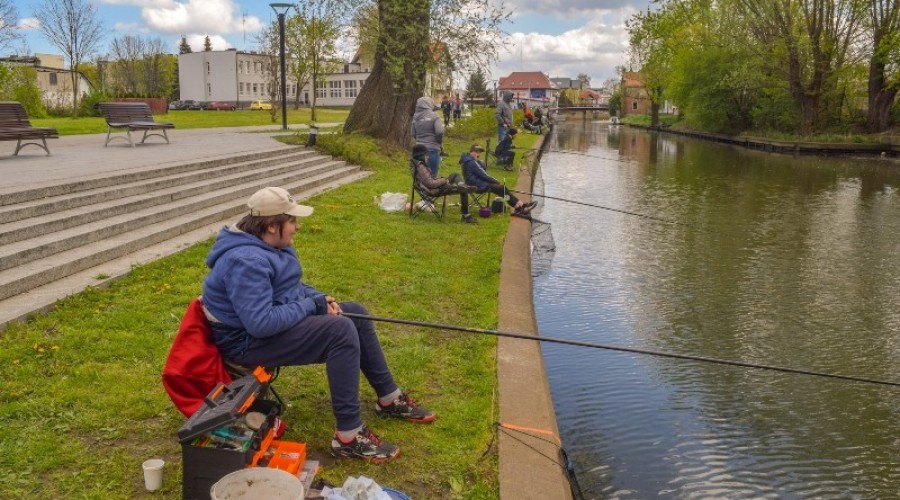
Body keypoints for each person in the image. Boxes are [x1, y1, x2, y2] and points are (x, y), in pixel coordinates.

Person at [201, 187, 435, 463]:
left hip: (260, 328)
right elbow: (260, 324)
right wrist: (312, 307)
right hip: (245, 343)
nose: (297, 227)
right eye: (293, 222)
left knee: (354, 314)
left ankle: (389, 399)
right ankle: (348, 437)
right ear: (273, 226)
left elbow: (290, 287)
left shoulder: (271, 245)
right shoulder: (246, 261)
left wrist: (318, 298)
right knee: (339, 330)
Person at [460, 144, 536, 216]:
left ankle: (520, 205)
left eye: (479, 152)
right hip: (477, 185)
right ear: (471, 152)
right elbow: (483, 175)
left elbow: (480, 174)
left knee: (503, 190)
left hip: (476, 183)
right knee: (502, 189)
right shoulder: (471, 162)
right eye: (477, 152)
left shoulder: (467, 160)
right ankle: (519, 207)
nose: (478, 154)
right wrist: (495, 180)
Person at [411, 144, 477, 224]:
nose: (428, 157)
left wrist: (442, 180)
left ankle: (462, 185)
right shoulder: (421, 167)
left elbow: (429, 181)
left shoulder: (416, 164)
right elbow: (431, 184)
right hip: (434, 190)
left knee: (454, 175)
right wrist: (444, 180)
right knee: (463, 190)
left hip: (432, 187)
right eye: (426, 155)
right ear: (420, 155)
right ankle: (466, 216)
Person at [411, 96, 445, 177]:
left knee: (422, 177)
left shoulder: (415, 117)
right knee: (432, 176)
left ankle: (422, 190)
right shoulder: (434, 116)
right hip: (432, 150)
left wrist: (419, 141)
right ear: (428, 104)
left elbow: (412, 133)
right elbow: (440, 132)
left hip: (419, 151)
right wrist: (438, 142)